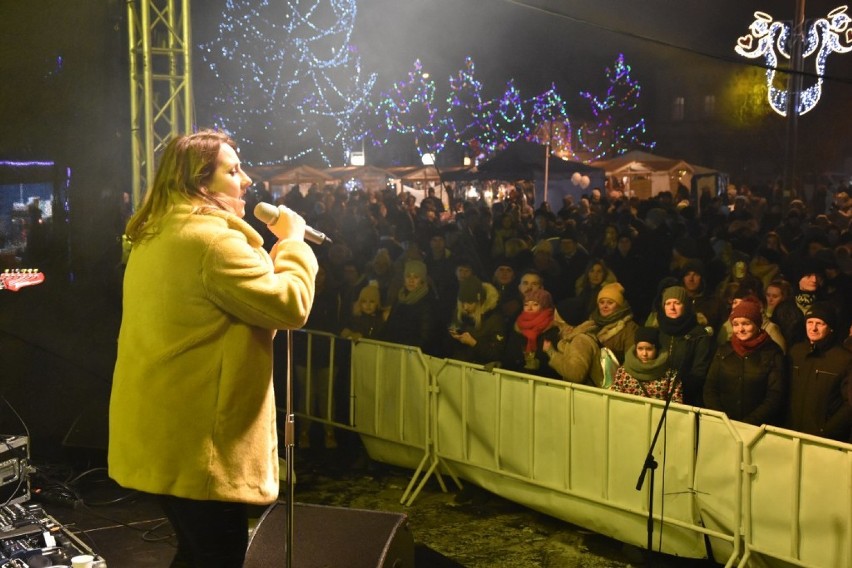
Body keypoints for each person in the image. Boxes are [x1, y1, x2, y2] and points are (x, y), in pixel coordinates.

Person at [109, 130, 318, 567]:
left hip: (163, 436)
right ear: (201, 184)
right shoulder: (213, 242)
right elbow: (291, 305)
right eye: (233, 170)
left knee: (197, 553)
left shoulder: (158, 234)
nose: (245, 181)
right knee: (217, 556)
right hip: (200, 445)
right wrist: (294, 242)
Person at [704, 297, 786, 426]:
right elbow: (710, 388)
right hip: (723, 425)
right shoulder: (724, 350)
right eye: (736, 324)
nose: (740, 329)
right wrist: (723, 419)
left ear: (757, 324)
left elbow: (774, 395)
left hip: (757, 428)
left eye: (746, 323)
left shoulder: (772, 352)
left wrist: (748, 423)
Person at [786, 303, 852, 441]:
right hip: (791, 433)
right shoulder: (796, 352)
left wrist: (826, 430)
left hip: (824, 439)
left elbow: (849, 404)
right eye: (809, 322)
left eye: (819, 323)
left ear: (830, 328)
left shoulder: (844, 359)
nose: (813, 328)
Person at [656, 285, 714, 406]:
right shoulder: (657, 331)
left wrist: (677, 389)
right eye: (668, 303)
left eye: (677, 303)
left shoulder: (699, 335)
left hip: (687, 400)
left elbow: (699, 372)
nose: (672, 307)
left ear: (686, 306)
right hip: (656, 396)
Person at [610, 327, 683, 402]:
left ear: (656, 349)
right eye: (640, 348)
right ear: (635, 348)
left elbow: (675, 404)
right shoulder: (623, 372)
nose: (644, 354)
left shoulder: (670, 375)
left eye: (649, 349)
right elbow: (614, 398)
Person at [445, 275, 506, 364]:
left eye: (470, 302)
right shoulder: (459, 312)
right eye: (462, 302)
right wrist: (452, 336)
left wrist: (474, 343)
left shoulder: (494, 319)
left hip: (480, 372)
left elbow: (497, 353)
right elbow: (447, 347)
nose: (465, 307)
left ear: (479, 301)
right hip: (458, 366)